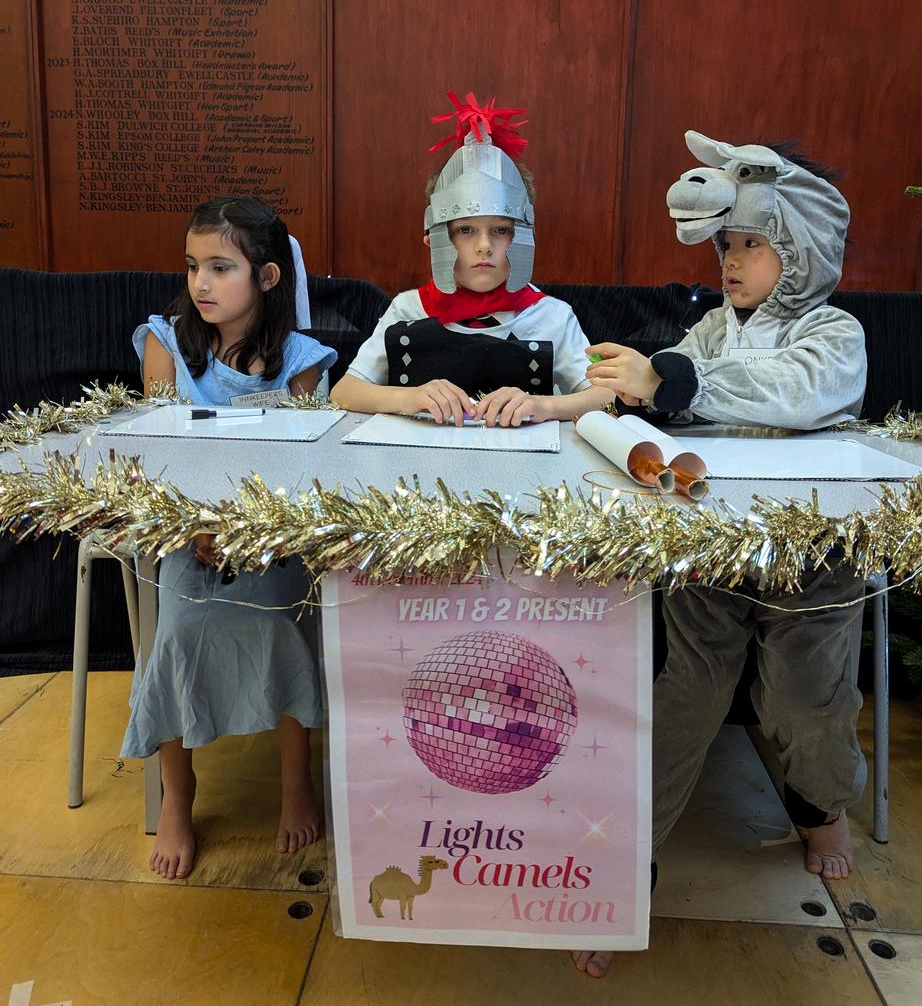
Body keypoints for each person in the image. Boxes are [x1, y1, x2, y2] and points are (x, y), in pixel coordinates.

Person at [573, 131, 868, 978]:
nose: (731, 262)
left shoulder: (835, 330)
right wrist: (633, 390)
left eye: (752, 245)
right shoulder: (709, 328)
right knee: (685, 694)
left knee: (806, 698)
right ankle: (632, 865)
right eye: (726, 246)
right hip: (709, 549)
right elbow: (670, 384)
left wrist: (678, 382)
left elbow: (802, 392)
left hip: (814, 557)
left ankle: (818, 805)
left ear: (800, 251)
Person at [122, 195, 337, 880]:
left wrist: (250, 530)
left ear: (266, 277)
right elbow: (157, 456)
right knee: (179, 635)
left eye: (220, 267)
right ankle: (178, 793)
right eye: (192, 266)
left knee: (282, 624)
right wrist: (197, 526)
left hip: (271, 538)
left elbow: (304, 466)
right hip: (184, 533)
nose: (201, 283)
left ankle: (297, 778)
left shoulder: (301, 359)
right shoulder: (165, 344)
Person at [331, 91, 612, 425]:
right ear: (436, 239)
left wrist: (545, 405)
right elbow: (344, 391)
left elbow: (607, 395)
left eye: (501, 230)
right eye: (465, 230)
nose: (484, 246)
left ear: (523, 237)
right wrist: (409, 397)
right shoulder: (408, 309)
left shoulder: (553, 316)